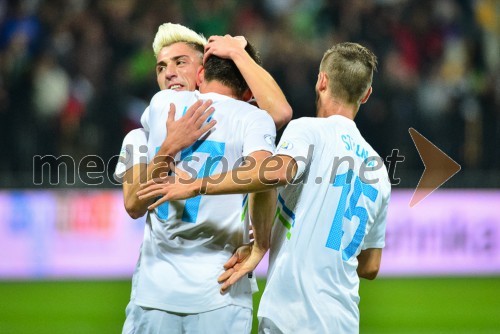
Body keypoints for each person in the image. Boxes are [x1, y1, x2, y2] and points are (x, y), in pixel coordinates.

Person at [138, 42, 392, 334]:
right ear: (367, 94)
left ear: (321, 81)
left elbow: (272, 173)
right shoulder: (378, 169)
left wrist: (198, 184)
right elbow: (370, 266)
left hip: (292, 315)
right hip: (344, 319)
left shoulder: (307, 130)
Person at [120, 27, 278, 333]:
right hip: (165, 294)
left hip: (209, 289)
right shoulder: (140, 135)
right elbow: (133, 204)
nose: (169, 74)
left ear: (202, 71)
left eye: (181, 63)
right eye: (162, 67)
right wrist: (169, 147)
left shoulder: (157, 111)